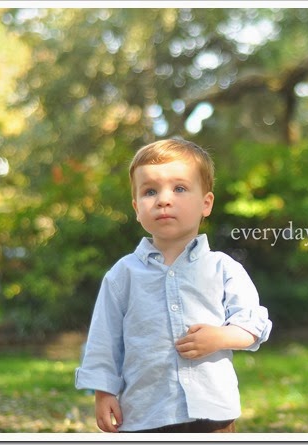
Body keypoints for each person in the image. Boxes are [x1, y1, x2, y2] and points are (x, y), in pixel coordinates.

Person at [75, 138, 272, 433]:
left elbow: (253, 324)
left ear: (206, 203)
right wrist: (103, 392)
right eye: (150, 191)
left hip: (212, 413)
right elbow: (104, 339)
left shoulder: (222, 268)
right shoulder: (123, 275)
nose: (163, 200)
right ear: (136, 208)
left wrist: (221, 337)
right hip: (144, 414)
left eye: (179, 188)